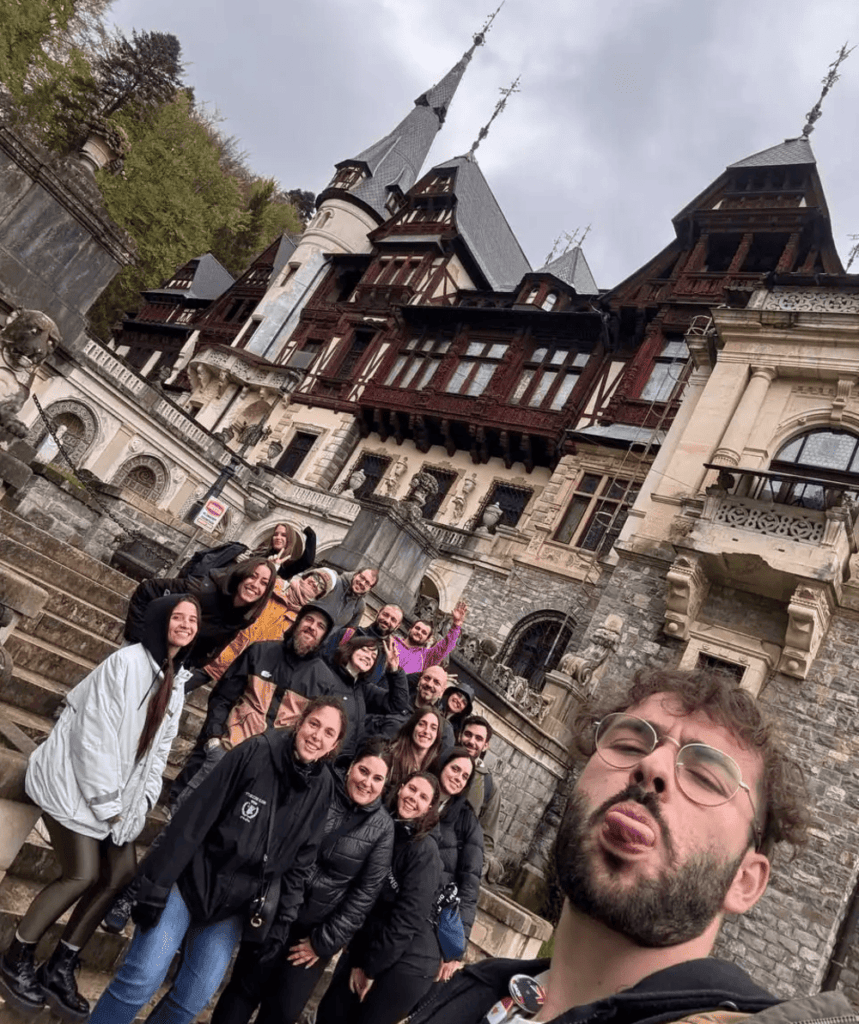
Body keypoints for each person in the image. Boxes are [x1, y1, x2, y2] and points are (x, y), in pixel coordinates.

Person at [406, 666, 821, 1024]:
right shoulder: (468, 994)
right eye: (628, 744)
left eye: (706, 777)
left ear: (745, 881)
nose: (652, 765)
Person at [0, 595, 201, 1022]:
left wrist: (140, 804)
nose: (185, 625)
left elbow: (157, 754)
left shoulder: (175, 679)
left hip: (110, 797)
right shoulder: (126, 664)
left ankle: (61, 965)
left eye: (193, 620)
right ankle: (17, 953)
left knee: (123, 872)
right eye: (178, 617)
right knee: (83, 873)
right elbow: (94, 741)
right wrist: (112, 809)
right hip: (70, 782)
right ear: (162, 621)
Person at [88, 697, 348, 1024]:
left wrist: (281, 923)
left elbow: (301, 862)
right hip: (191, 880)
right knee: (142, 977)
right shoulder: (255, 752)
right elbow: (193, 820)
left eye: (328, 733)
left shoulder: (323, 787)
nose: (316, 736)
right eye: (313, 724)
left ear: (334, 744)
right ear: (299, 721)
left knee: (194, 996)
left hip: (234, 904)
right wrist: (154, 886)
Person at [210, 739, 396, 1024]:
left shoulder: (382, 829)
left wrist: (322, 943)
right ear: (350, 768)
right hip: (276, 910)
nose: (367, 782)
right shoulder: (322, 788)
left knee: (282, 1012)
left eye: (377, 778)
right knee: (243, 992)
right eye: (363, 771)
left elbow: (364, 894)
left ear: (385, 784)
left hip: (316, 932)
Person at [171, 603, 336, 801]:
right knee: (188, 807)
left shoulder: (324, 681)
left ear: (324, 637)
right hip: (229, 748)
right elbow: (223, 697)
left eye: (320, 626)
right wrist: (215, 738)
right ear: (298, 622)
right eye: (309, 619)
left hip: (270, 767)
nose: (312, 627)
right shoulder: (260, 651)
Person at [315, 771, 443, 1024]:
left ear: (429, 808)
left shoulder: (424, 851)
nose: (413, 798)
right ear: (401, 788)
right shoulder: (383, 827)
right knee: (330, 1013)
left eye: (423, 797)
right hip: (370, 946)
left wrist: (370, 968)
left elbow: (407, 919)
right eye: (412, 789)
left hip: (408, 963)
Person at [124, 558, 276, 686]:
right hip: (143, 653)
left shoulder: (243, 618)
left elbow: (212, 649)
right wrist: (137, 638)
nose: (255, 585)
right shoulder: (203, 591)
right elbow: (148, 589)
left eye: (263, 583)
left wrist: (188, 665)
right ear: (241, 575)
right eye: (252, 576)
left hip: (170, 668)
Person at [205, 567, 337, 683]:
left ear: (320, 594)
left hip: (245, 672)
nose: (315, 583)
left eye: (321, 585)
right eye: (315, 577)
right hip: (218, 654)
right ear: (307, 576)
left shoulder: (303, 618)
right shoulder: (274, 585)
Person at [431, 746, 484, 984]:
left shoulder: (467, 822)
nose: (458, 778)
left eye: (465, 776)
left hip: (431, 925)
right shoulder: (415, 794)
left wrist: (455, 949)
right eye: (455, 769)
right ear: (442, 764)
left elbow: (469, 887)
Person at [324, 634, 410, 758]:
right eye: (364, 650)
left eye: (373, 656)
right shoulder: (327, 675)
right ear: (351, 649)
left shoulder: (363, 689)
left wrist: (395, 671)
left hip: (342, 761)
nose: (368, 657)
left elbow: (397, 704)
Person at [368, 665, 455, 753]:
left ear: (442, 692)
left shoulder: (444, 727)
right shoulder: (395, 702)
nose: (429, 684)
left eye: (436, 682)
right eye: (427, 678)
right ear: (419, 681)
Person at [458, 715, 503, 880]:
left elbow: (487, 836)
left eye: (478, 738)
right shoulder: (439, 761)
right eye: (468, 734)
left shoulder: (490, 785)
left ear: (485, 745)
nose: (471, 741)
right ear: (459, 735)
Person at [320, 603, 405, 686]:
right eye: (385, 615)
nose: (387, 620)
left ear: (397, 626)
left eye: (393, 620)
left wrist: (393, 670)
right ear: (378, 613)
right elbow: (321, 659)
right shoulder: (348, 634)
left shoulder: (388, 658)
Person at [393, 601, 468, 674]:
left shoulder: (426, 657)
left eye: (424, 632)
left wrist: (456, 625)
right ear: (410, 629)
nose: (419, 632)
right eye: (417, 628)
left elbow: (445, 647)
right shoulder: (392, 642)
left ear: (427, 639)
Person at [385, 707, 446, 793]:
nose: (426, 731)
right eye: (422, 724)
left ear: (437, 735)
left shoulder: (436, 767)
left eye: (433, 728)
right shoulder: (391, 756)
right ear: (412, 727)